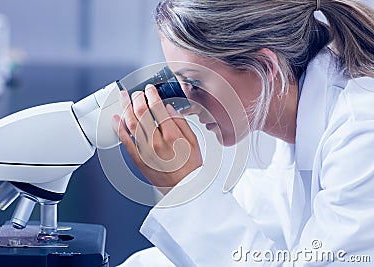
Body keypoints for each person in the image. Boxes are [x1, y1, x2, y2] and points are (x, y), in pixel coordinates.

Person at [112, 0, 374, 266]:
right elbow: (260, 233)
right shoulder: (304, 123)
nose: (187, 106)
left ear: (265, 67)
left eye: (193, 82)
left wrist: (187, 188)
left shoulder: (362, 135)